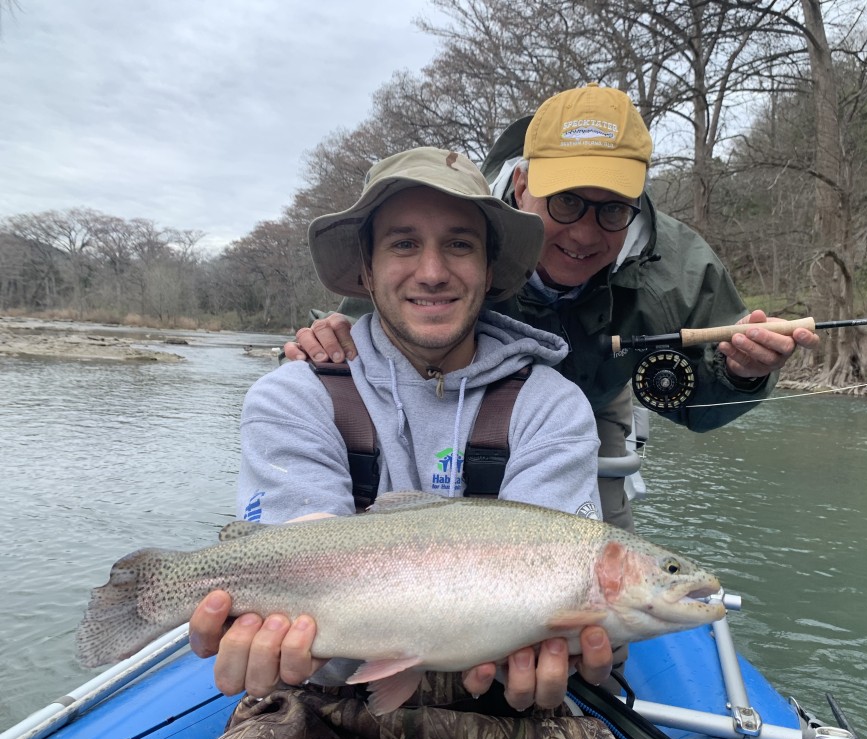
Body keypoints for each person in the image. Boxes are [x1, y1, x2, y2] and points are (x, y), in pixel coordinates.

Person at [187, 147, 621, 739]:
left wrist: (565, 647)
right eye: (403, 244)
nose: (433, 271)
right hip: (323, 692)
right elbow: (296, 551)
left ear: (491, 267)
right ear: (365, 269)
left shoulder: (552, 406)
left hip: (505, 700)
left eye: (460, 245)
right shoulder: (293, 395)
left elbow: (549, 607)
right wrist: (288, 638)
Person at [283, 84, 820, 534]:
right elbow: (381, 321)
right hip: (453, 395)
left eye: (612, 210)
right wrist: (331, 341)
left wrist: (740, 375)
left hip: (593, 398)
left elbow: (694, 402)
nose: (585, 234)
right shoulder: (452, 228)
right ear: (521, 185)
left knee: (592, 555)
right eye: (565, 202)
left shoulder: (680, 270)